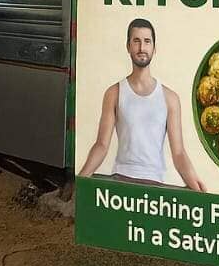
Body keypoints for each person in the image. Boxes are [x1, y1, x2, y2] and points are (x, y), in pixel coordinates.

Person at [78, 18, 206, 191]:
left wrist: (197, 187)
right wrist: (81, 180)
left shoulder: (170, 98)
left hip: (155, 183)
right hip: (121, 178)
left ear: (154, 48)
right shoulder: (114, 93)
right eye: (136, 41)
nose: (141, 48)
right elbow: (101, 145)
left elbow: (179, 153)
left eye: (147, 41)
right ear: (128, 46)